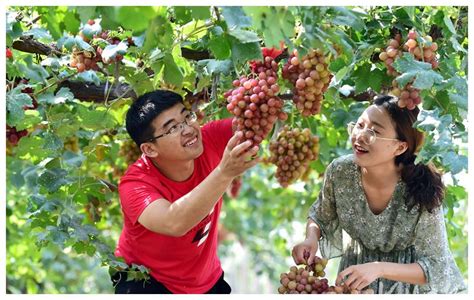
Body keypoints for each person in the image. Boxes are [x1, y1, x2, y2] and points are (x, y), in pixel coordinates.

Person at [291, 95, 466, 294]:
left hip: (408, 287)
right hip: (355, 285)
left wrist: (379, 268)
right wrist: (310, 238)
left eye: (374, 131)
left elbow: (438, 267)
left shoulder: (422, 187)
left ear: (400, 147)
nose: (360, 136)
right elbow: (319, 217)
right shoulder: (340, 171)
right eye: (359, 125)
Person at [112, 90, 260, 294]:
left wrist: (260, 104)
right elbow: (174, 222)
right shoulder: (134, 184)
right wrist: (224, 173)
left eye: (187, 116)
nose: (188, 129)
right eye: (173, 127)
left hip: (205, 279)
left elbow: (254, 124)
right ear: (150, 149)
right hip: (145, 279)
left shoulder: (210, 138)